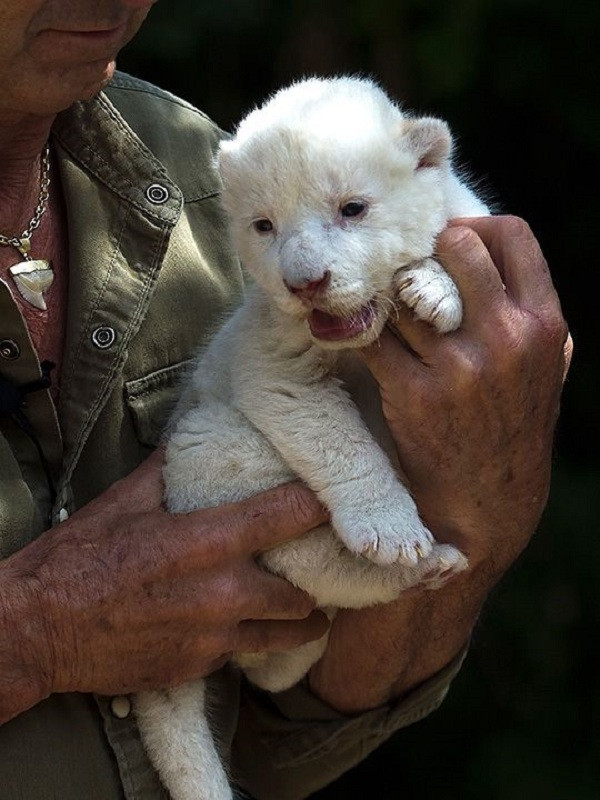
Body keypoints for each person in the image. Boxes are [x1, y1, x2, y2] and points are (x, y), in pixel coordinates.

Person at [0, 1, 571, 799]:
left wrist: (483, 504)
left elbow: (287, 730)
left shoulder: (203, 162)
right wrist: (32, 634)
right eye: (270, 229)